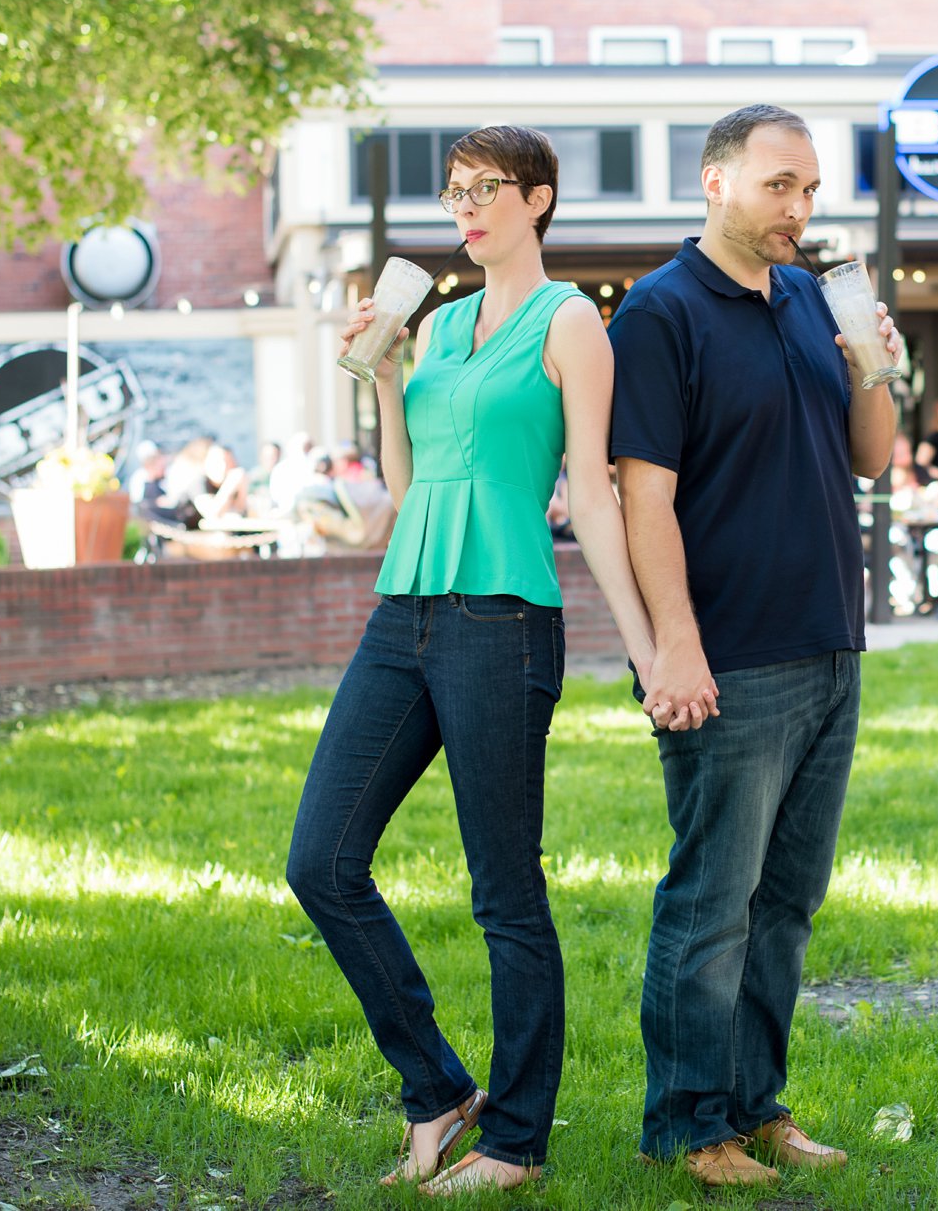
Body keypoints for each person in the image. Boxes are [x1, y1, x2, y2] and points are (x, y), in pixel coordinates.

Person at [287, 126, 659, 1195]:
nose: (464, 206)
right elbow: (407, 487)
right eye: (453, 191)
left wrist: (643, 649)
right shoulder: (439, 323)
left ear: (536, 200)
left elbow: (590, 493)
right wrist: (384, 372)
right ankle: (437, 1088)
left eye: (484, 189)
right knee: (320, 860)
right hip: (400, 611)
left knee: (503, 889)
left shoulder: (571, 322)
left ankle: (517, 1138)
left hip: (501, 617)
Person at [609, 104, 902, 1188]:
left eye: (811, 189)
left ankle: (752, 1101)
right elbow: (643, 498)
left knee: (784, 901)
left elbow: (869, 460)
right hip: (727, 656)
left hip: (829, 641)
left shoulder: (806, 302)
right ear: (716, 182)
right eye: (779, 185)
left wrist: (873, 365)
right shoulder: (659, 312)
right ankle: (689, 1124)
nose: (800, 209)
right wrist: (671, 649)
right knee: (710, 901)